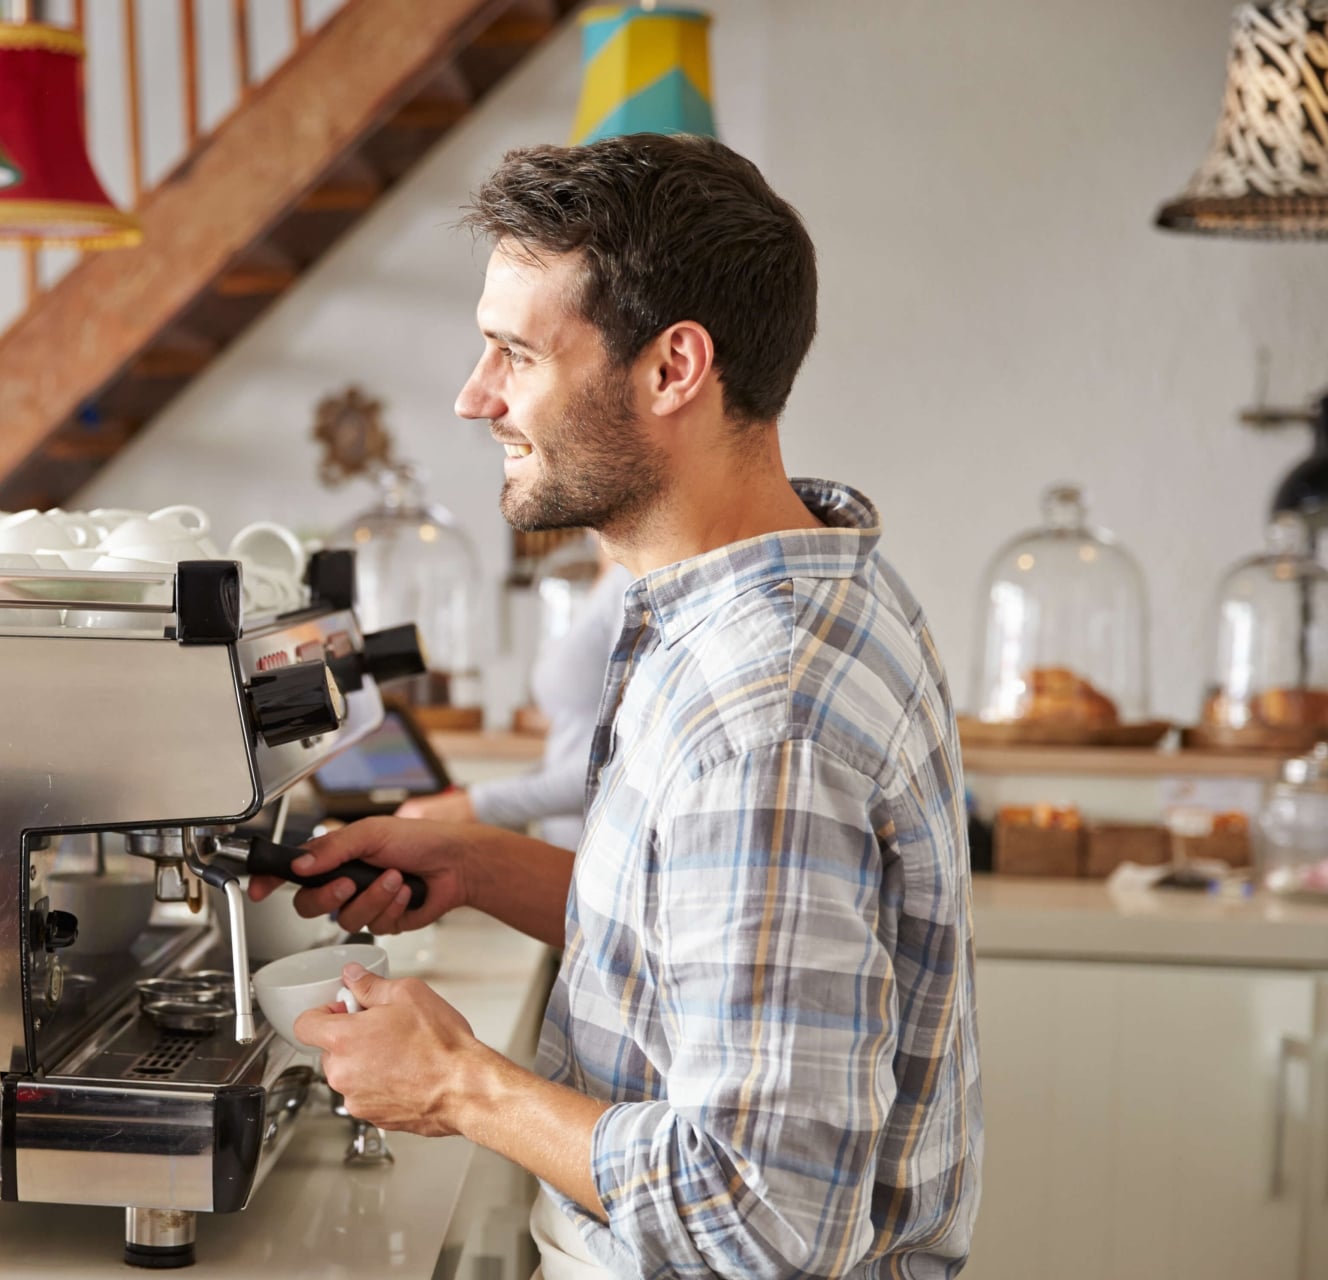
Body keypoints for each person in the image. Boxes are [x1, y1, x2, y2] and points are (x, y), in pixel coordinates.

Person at [252, 134, 981, 1279]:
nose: (472, 395)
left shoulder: (761, 716)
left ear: (671, 368)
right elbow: (696, 952)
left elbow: (763, 1216)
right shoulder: (802, 591)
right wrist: (480, 863)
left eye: (513, 354)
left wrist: (459, 1081)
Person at [395, 541, 631, 848]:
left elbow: (618, 762)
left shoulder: (629, 580)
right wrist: (472, 797)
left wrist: (474, 805)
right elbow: (572, 751)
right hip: (568, 846)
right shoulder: (604, 577)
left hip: (600, 850)